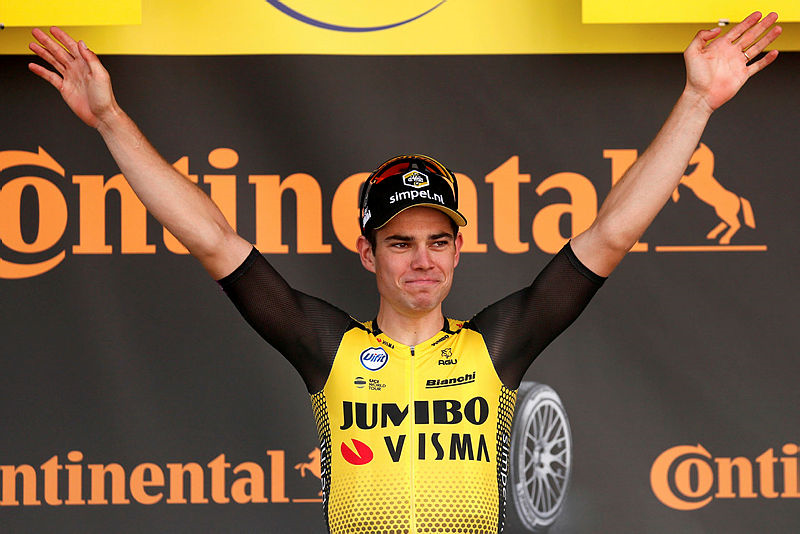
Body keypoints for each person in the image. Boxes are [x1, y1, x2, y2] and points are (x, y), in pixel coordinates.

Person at [28, 12, 781, 534]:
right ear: (368, 254)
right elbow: (213, 239)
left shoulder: (496, 345)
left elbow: (610, 234)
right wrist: (111, 120)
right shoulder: (329, 346)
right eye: (399, 242)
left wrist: (696, 101)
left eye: (436, 240)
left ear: (457, 251)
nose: (421, 258)